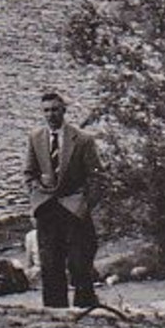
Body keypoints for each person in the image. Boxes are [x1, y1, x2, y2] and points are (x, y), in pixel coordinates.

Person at [24, 91, 102, 309]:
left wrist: (85, 206)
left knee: (80, 264)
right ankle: (55, 313)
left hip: (74, 210)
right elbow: (29, 174)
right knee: (49, 265)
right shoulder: (36, 138)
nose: (51, 115)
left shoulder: (82, 140)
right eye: (46, 110)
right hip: (47, 210)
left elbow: (98, 177)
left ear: (64, 111)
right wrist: (36, 192)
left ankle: (86, 308)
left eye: (55, 110)